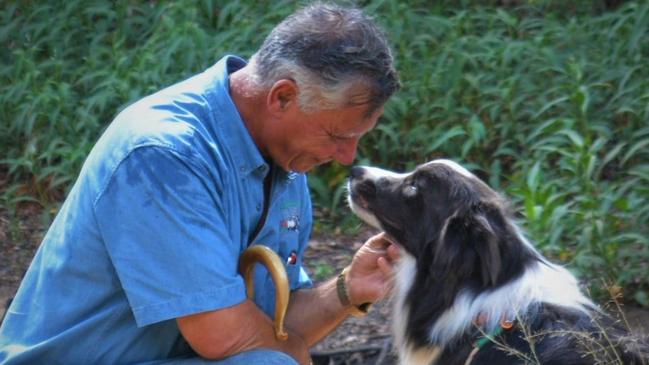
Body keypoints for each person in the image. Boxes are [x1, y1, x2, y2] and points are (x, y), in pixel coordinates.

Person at [0, 2, 401, 364]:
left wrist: (350, 288)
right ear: (281, 97)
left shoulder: (286, 160)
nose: (348, 157)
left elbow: (272, 329)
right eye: (337, 136)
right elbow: (224, 335)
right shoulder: (164, 154)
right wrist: (296, 357)